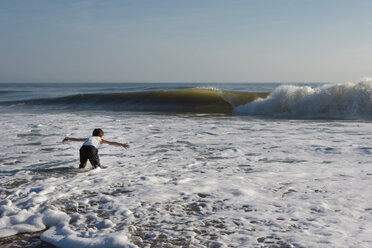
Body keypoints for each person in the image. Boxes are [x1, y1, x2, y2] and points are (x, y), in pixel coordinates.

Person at [62, 128, 130, 169]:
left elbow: (77, 139)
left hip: (82, 149)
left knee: (82, 166)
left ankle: (79, 174)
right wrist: (122, 144)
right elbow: (111, 143)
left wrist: (68, 139)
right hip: (91, 149)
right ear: (101, 136)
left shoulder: (88, 138)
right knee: (97, 167)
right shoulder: (100, 139)